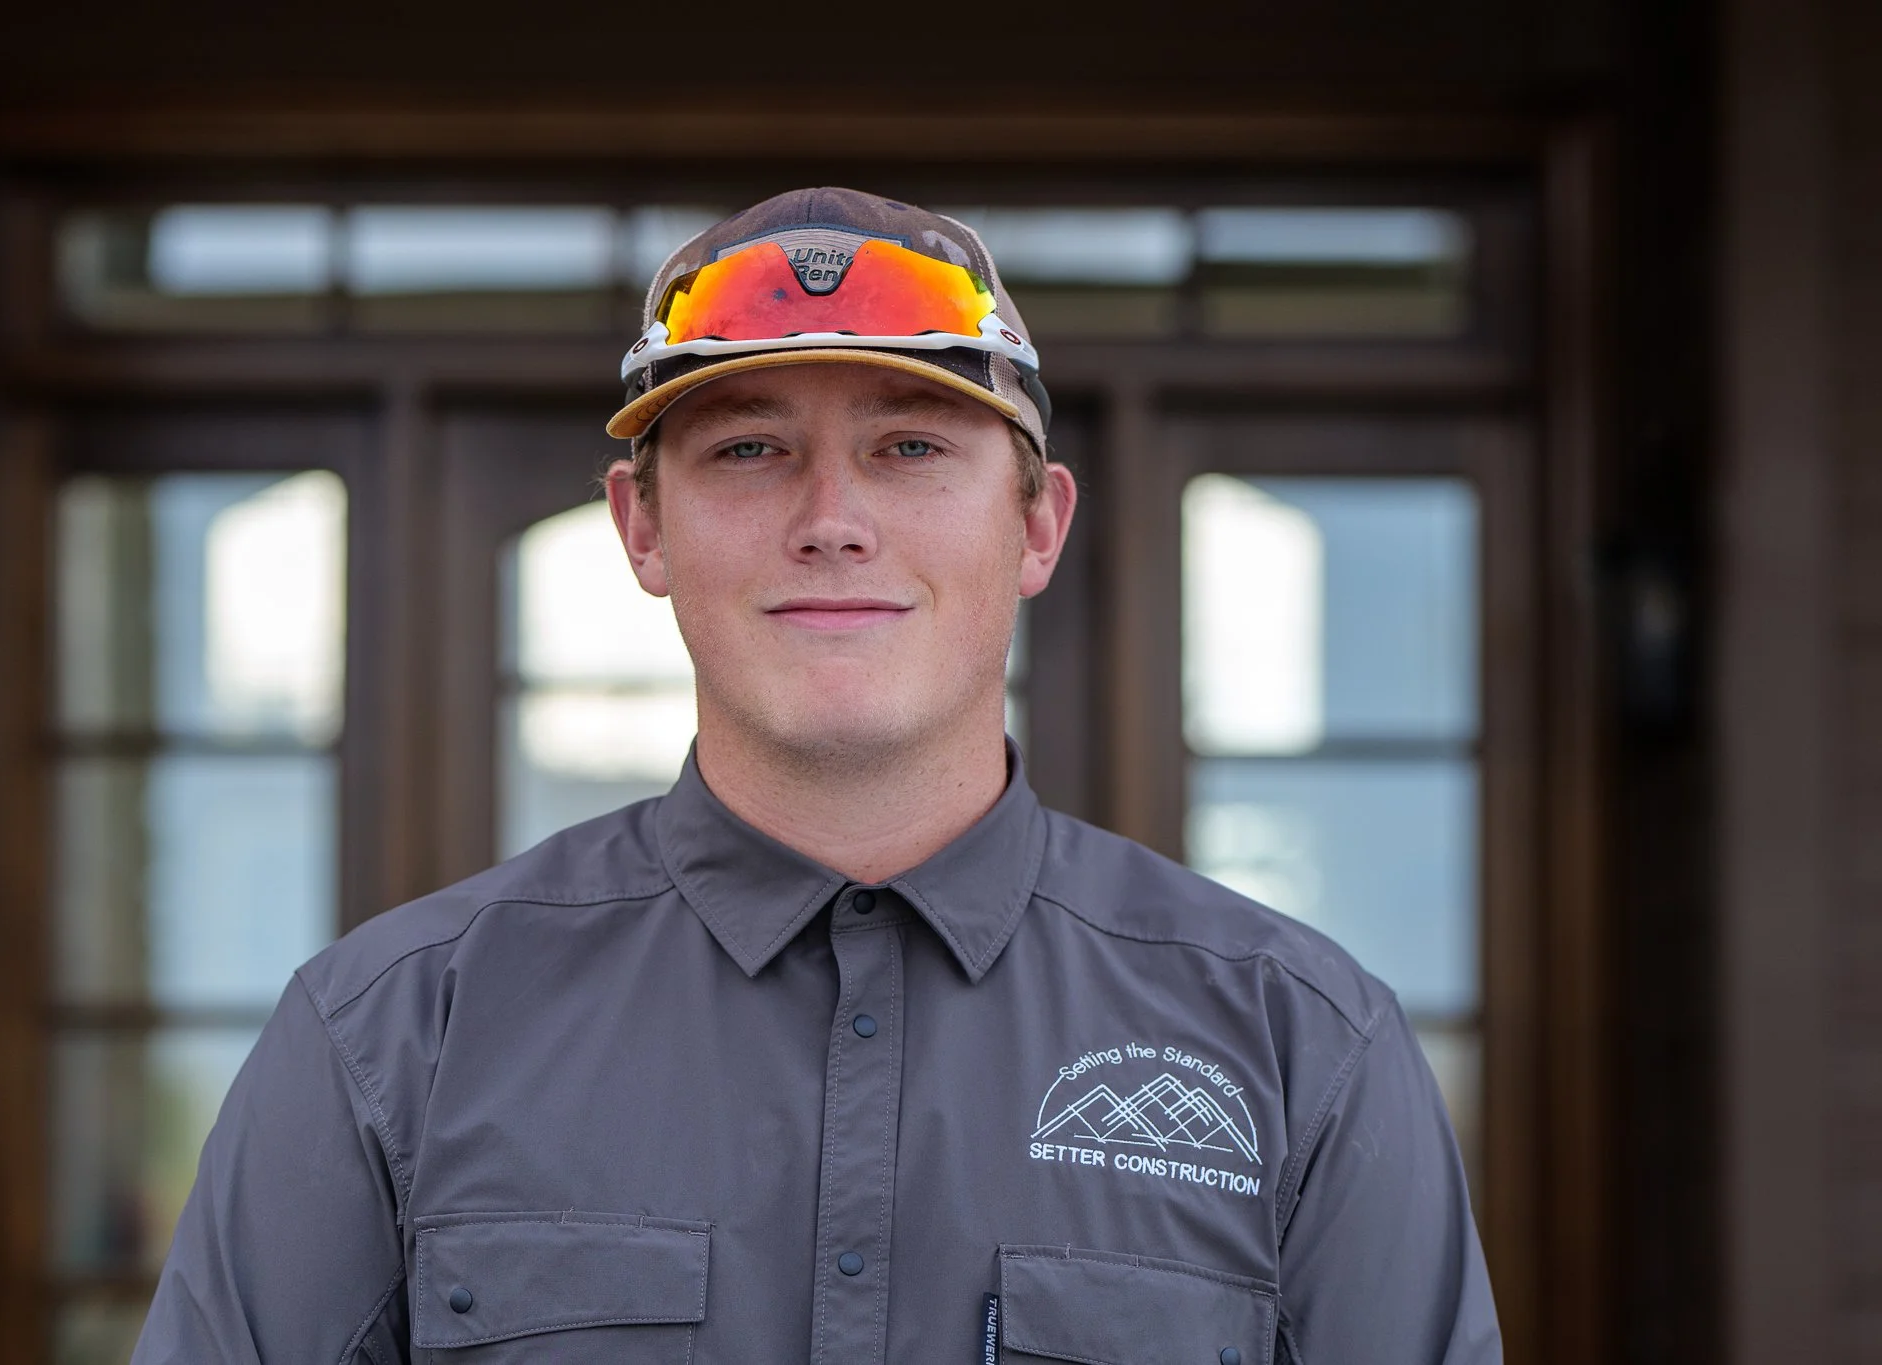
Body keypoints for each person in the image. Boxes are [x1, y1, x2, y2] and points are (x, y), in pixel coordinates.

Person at [133, 187, 1500, 1364]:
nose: (832, 521)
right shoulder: (387, 1044)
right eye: (748, 450)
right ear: (640, 525)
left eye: (910, 446)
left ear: (1037, 524)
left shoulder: (1300, 1049)